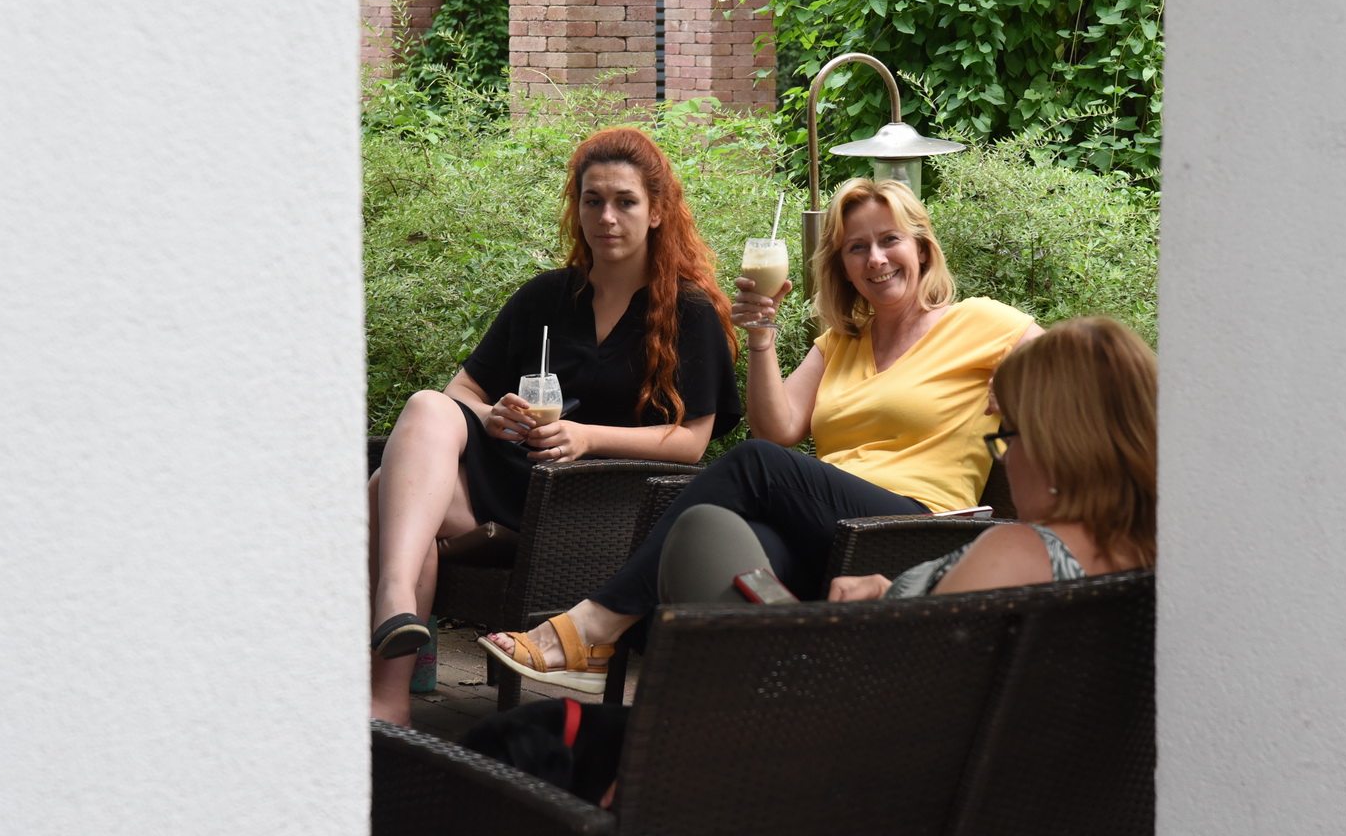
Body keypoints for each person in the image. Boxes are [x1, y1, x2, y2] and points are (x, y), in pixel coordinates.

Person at [483, 176, 1040, 693]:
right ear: (843, 267)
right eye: (856, 248)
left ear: (921, 248)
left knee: (751, 465)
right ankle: (757, 716)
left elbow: (1073, 367)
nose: (875, 258)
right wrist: (761, 335)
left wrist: (1019, 382)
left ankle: (592, 628)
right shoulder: (841, 343)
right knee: (705, 537)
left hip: (917, 527)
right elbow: (778, 429)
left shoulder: (979, 322)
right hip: (833, 530)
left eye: (889, 240)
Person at [368, 127, 741, 725]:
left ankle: (387, 691)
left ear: (656, 212)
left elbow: (692, 441)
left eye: (624, 201)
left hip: (591, 507)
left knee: (384, 490)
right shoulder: (546, 297)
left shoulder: (688, 312)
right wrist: (493, 416)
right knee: (428, 407)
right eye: (593, 200)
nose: (606, 217)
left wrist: (588, 436)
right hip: (511, 478)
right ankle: (395, 618)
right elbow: (462, 390)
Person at [662, 316, 1156, 607]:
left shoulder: (1022, 553)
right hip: (873, 605)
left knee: (709, 528)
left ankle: (621, 625)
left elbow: (915, 680)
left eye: (1006, 436)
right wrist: (891, 592)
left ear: (1059, 444)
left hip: (833, 702)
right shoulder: (1154, 556)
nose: (1005, 458)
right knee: (739, 542)